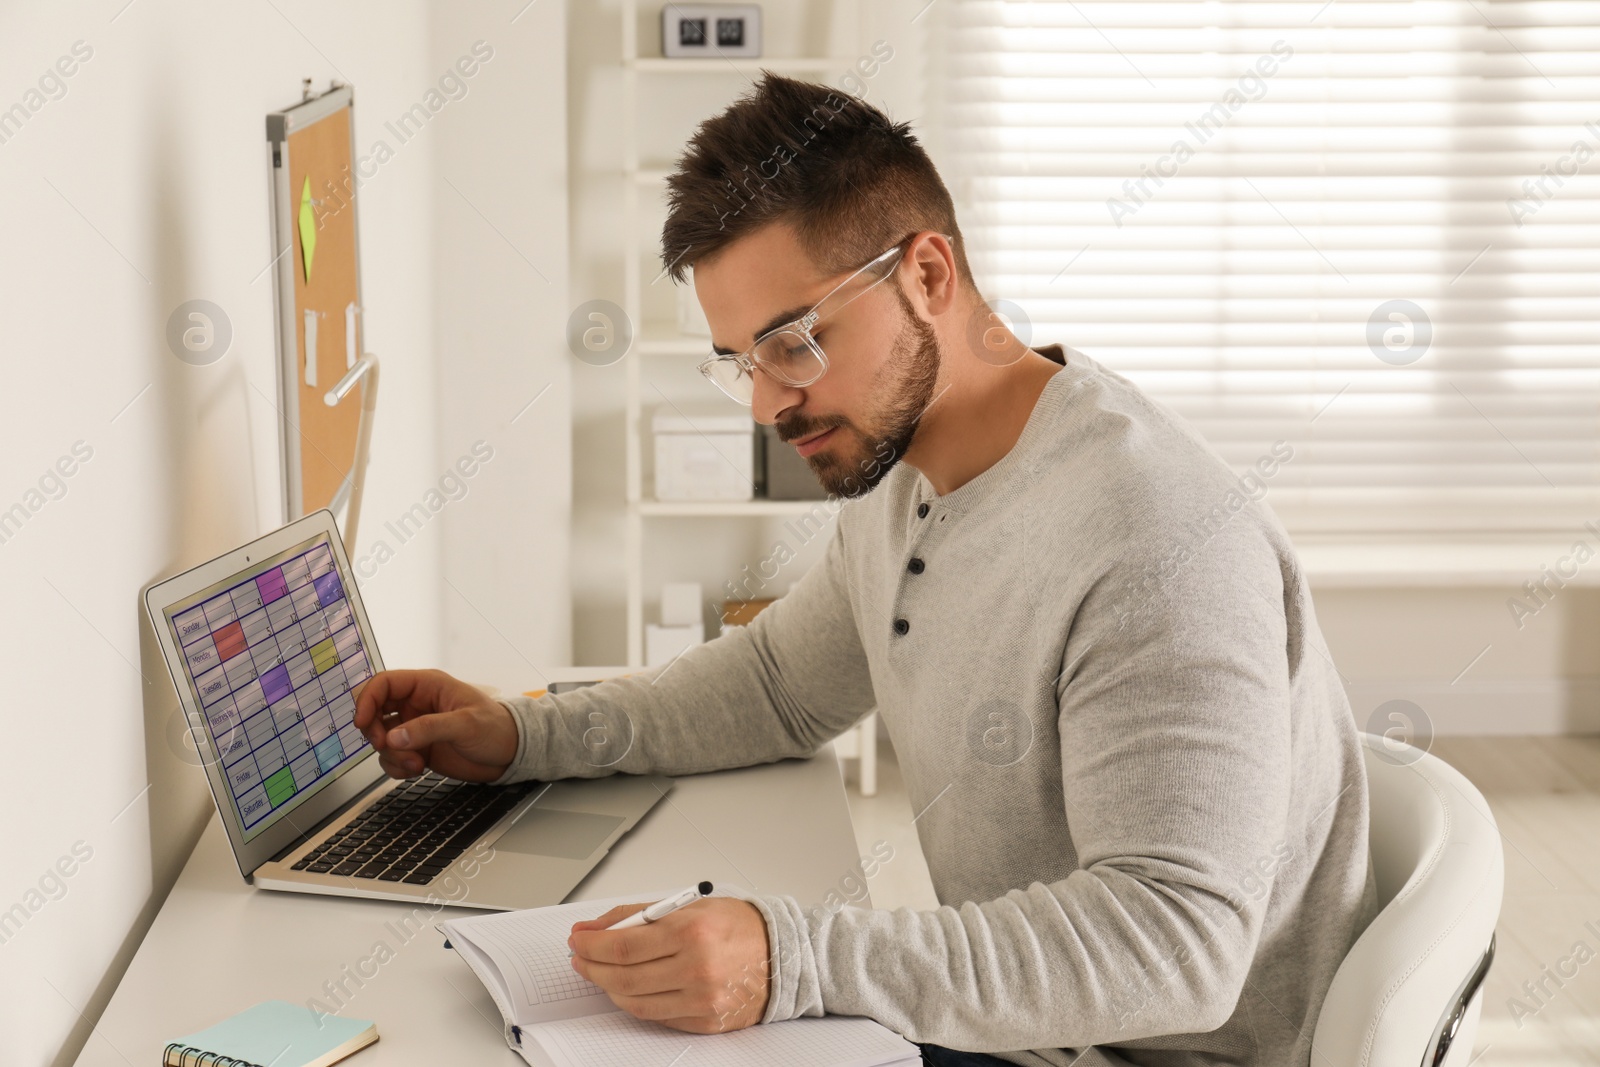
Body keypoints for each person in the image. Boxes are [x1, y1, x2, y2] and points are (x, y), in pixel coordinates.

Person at [353, 73, 1378, 1067]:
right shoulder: (910, 468)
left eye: (793, 343)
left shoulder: (1154, 542)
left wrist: (792, 956)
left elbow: (1174, 947)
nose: (766, 404)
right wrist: (524, 730)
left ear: (927, 275)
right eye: (739, 363)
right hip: (1026, 1032)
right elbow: (778, 685)